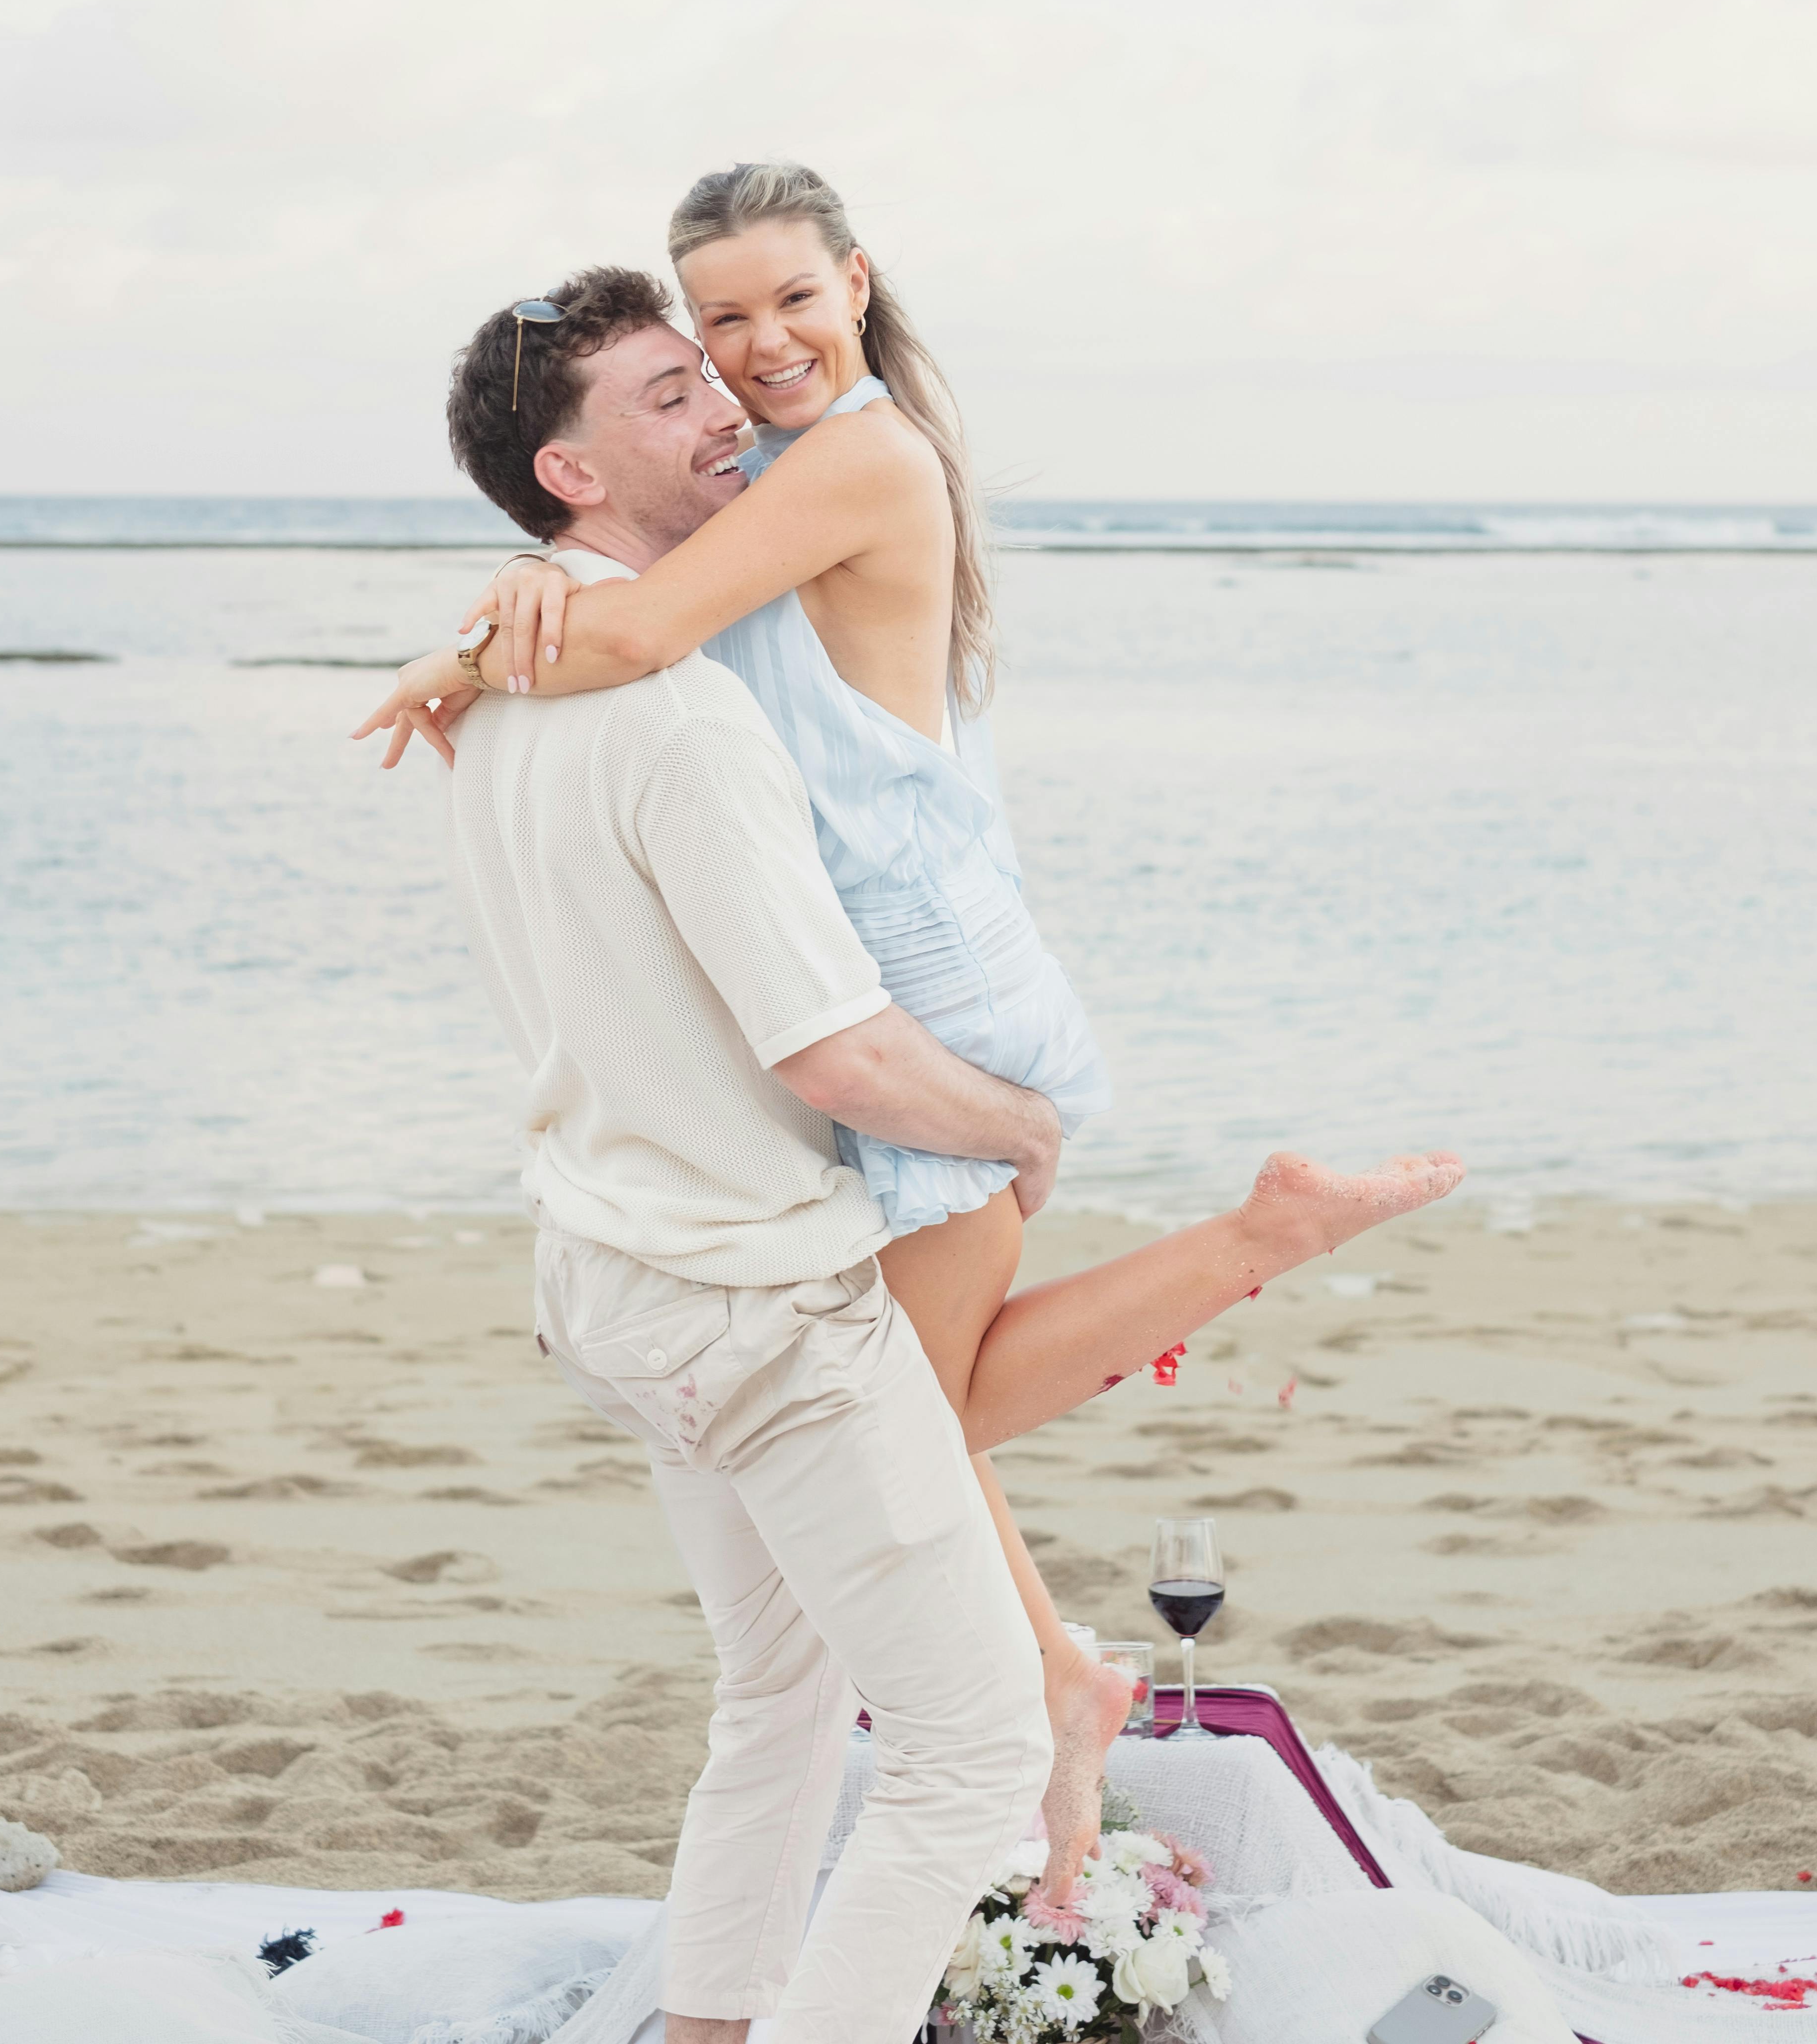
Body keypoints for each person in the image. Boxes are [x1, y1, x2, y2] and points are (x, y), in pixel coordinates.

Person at [356, 173, 1462, 1898]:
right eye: (714, 326)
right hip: (884, 962)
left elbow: (634, 624)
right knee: (905, 1410)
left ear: (857, 284)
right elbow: (636, 587)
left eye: (788, 303)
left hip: (929, 984)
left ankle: (1260, 1247)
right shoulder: (781, 469)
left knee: (910, 1418)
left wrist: (473, 648)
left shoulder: (867, 458)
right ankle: (1066, 1677)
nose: (750, 354)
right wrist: (503, 609)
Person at [401, 264, 1059, 2044]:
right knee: (972, 1752)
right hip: (753, 1311)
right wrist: (1016, 1127)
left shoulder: (495, 702)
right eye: (666, 397)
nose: (727, 410)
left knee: (778, 1696)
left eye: (714, 378)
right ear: (574, 480)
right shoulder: (681, 718)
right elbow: (832, 1044)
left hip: (608, 1287)